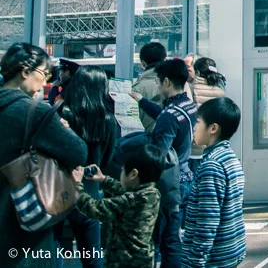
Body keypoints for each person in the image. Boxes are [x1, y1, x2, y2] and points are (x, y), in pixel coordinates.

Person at [0, 43, 88, 267]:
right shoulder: (34, 112)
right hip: (23, 222)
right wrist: (64, 128)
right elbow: (79, 152)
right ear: (25, 71)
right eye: (44, 73)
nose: (45, 81)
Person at [129, 58, 198, 268]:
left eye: (158, 82)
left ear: (166, 81)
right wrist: (142, 100)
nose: (157, 86)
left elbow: (159, 153)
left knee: (166, 241)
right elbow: (167, 117)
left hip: (168, 184)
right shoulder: (187, 105)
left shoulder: (169, 115)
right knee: (173, 236)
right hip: (184, 177)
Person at [55, 65, 122, 268]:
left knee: (53, 245)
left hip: (58, 187)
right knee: (92, 252)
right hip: (90, 187)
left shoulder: (62, 113)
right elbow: (108, 158)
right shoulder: (109, 120)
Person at [72, 138, 166, 268]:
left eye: (122, 170)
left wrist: (77, 185)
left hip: (123, 262)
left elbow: (93, 208)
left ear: (133, 174)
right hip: (144, 260)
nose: (121, 173)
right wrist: (103, 179)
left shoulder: (130, 201)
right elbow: (125, 193)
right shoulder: (153, 193)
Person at [182, 97, 246, 268]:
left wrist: (195, 261)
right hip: (231, 250)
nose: (194, 127)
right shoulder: (230, 157)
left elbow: (207, 221)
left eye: (198, 122)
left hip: (214, 258)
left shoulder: (211, 165)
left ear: (213, 128)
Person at [188, 57, 227, 177]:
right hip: (214, 145)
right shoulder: (221, 92)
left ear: (198, 72)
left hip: (195, 147)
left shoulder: (191, 88)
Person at [134, 42, 167, 131]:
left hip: (146, 138)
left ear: (143, 63)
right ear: (165, 59)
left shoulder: (136, 89)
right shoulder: (179, 83)